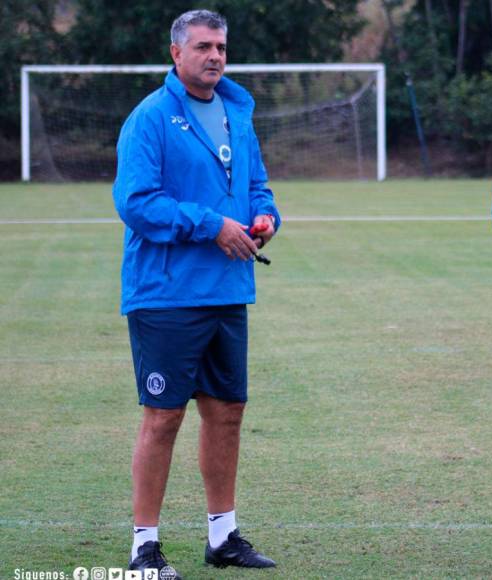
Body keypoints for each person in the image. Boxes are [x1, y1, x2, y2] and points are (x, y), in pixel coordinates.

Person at [112, 9, 281, 577]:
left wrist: (265, 214)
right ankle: (144, 548)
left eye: (222, 48)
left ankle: (222, 536)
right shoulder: (151, 117)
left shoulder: (238, 110)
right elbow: (135, 201)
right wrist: (210, 224)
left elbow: (256, 182)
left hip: (228, 289)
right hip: (166, 294)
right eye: (204, 46)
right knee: (163, 418)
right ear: (176, 53)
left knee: (228, 413)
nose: (215, 56)